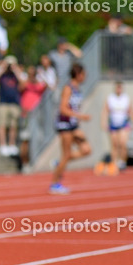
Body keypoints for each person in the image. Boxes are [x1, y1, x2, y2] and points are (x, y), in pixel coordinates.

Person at [50, 63, 91, 194]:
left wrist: (78, 120)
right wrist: (80, 116)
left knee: (86, 150)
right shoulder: (68, 88)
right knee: (66, 154)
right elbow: (62, 109)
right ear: (78, 75)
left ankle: (59, 163)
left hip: (73, 126)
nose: (85, 77)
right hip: (65, 126)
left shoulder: (78, 89)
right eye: (84, 74)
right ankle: (55, 184)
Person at [0, 55, 24, 156]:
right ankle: (3, 145)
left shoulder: (16, 75)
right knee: (2, 125)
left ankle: (12, 144)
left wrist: (15, 69)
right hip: (2, 102)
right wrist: (3, 67)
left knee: (13, 126)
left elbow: (23, 82)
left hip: (14, 103)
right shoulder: (2, 74)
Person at [103, 81, 133, 172]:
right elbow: (105, 111)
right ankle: (114, 163)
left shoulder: (126, 98)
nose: (119, 89)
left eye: (120, 87)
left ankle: (122, 162)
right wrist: (104, 122)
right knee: (114, 144)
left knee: (123, 143)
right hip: (113, 124)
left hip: (123, 124)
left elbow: (131, 111)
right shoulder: (111, 98)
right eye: (117, 87)